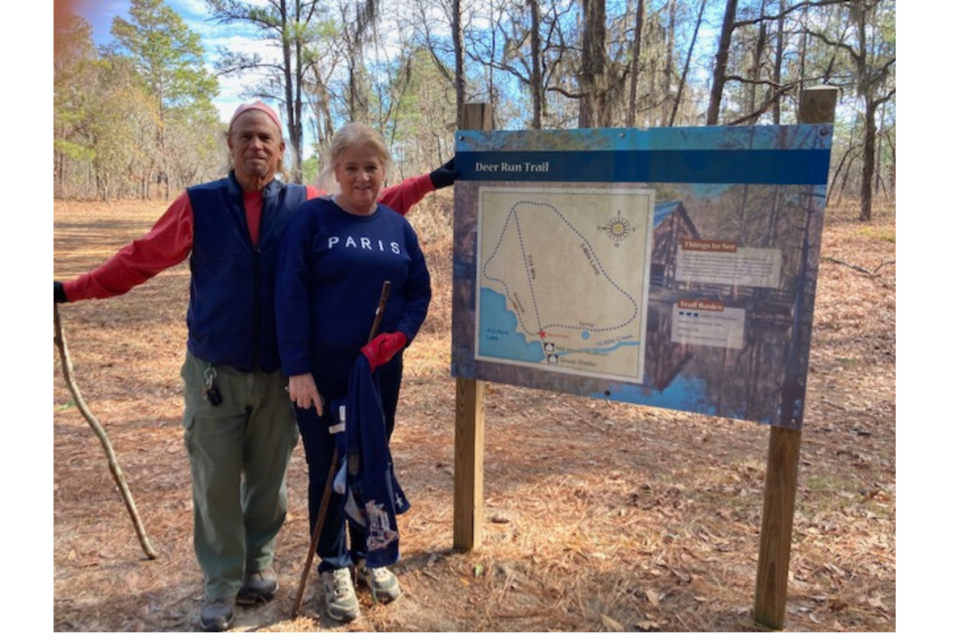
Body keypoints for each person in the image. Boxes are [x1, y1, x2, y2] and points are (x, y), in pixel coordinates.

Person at [53, 101, 456, 632]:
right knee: (216, 480)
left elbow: (369, 200)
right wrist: (69, 290)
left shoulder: (304, 204)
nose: (256, 146)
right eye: (245, 137)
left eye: (266, 137)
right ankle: (220, 583)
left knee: (268, 485)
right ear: (231, 144)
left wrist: (433, 180)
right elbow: (141, 258)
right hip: (215, 371)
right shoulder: (198, 205)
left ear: (282, 148)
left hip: (279, 375)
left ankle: (259, 564)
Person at [275, 123, 431, 623]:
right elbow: (290, 294)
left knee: (370, 460)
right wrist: (298, 369)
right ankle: (333, 562)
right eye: (351, 168)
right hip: (321, 374)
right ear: (336, 171)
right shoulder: (313, 220)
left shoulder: (396, 226)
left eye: (371, 167)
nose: (363, 177)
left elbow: (418, 293)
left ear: (383, 169)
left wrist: (398, 337)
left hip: (379, 374)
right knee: (328, 467)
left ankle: (370, 553)